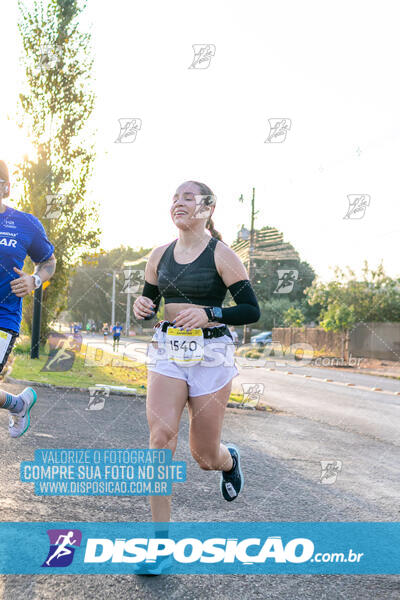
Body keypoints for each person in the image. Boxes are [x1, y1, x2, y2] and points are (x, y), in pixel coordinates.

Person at [133, 180, 260, 575]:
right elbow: (151, 302)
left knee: (203, 456)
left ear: (208, 208)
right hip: (169, 351)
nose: (179, 203)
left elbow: (251, 310)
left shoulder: (222, 255)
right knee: (160, 437)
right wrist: (142, 305)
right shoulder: (159, 255)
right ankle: (159, 547)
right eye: (175, 198)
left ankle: (228, 459)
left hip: (211, 354)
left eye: (188, 198)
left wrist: (211, 313)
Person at [0, 160, 56, 438]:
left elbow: (48, 262)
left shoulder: (25, 224)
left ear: (6, 187)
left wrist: (34, 280)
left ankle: (18, 404)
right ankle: (18, 403)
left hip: (3, 317)